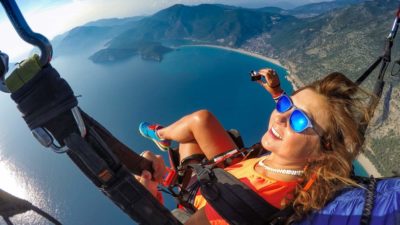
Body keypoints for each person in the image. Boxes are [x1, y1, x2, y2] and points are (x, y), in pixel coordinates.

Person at [135, 69, 371, 225]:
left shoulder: (240, 203)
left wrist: (147, 198)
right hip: (234, 170)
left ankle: (165, 166)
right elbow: (294, 119)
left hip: (210, 195)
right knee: (202, 120)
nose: (280, 118)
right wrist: (278, 92)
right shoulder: (303, 170)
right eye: (286, 104)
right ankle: (162, 136)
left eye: (300, 120)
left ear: (322, 150)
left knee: (188, 138)